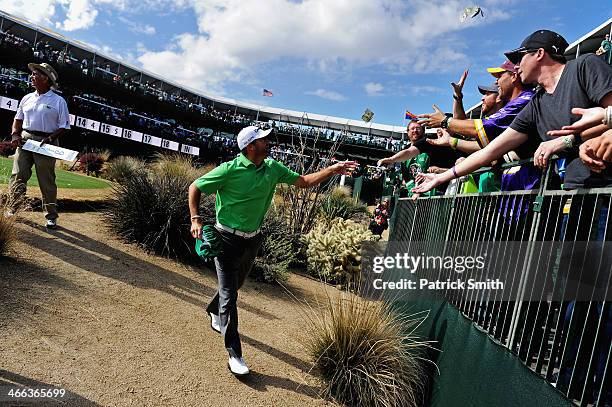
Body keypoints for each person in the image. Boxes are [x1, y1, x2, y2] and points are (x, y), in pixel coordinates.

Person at [188, 125, 356, 376]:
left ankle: (213, 310)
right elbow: (195, 186)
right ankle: (235, 354)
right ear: (250, 146)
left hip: (252, 240)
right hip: (225, 239)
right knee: (229, 295)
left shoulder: (273, 167)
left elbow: (304, 182)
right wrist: (196, 218)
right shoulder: (229, 170)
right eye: (264, 140)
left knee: (235, 286)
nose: (270, 143)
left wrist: (333, 169)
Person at [7, 62, 70, 229]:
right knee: (18, 174)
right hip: (26, 138)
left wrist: (50, 138)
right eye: (33, 74)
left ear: (46, 79)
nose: (32, 76)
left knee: (46, 180)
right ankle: (13, 207)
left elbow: (64, 126)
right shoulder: (26, 98)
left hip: (47, 142)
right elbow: (18, 119)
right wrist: (15, 134)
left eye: (36, 74)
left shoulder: (59, 101)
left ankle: (51, 216)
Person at [377, 120, 462, 197]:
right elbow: (407, 175)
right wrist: (414, 191)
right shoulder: (404, 150)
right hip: (415, 194)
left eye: (418, 128)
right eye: (412, 128)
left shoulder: (431, 143)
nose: (415, 131)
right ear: (407, 132)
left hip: (435, 192)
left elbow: (456, 169)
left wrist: (439, 170)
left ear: (423, 131)